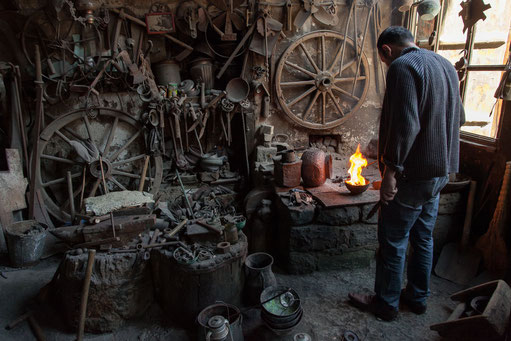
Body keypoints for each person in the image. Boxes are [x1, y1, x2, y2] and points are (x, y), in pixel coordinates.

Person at [348, 26, 465, 321]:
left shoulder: (402, 67)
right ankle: (418, 298)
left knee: (393, 239)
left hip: (413, 175)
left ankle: (386, 304)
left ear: (386, 51)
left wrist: (391, 173)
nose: (386, 64)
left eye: (383, 60)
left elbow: (405, 127)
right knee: (423, 237)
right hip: (441, 173)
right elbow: (459, 118)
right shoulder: (445, 64)